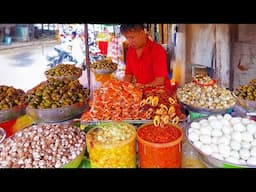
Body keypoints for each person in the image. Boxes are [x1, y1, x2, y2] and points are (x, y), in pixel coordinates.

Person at [120, 24, 171, 90]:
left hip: (160, 92)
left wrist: (143, 87)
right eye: (127, 38)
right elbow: (128, 75)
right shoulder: (130, 51)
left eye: (132, 37)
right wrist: (123, 88)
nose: (130, 41)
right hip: (141, 91)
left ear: (142, 33)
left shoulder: (157, 50)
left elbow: (160, 81)